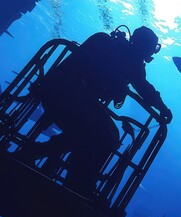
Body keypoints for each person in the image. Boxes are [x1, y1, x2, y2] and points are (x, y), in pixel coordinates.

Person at [21, 25, 172, 198]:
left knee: (88, 132)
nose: (151, 54)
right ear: (143, 46)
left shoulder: (104, 40)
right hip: (73, 99)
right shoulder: (133, 61)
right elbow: (143, 87)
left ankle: (41, 155)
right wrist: (162, 108)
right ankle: (78, 186)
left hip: (52, 93)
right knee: (108, 135)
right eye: (151, 49)